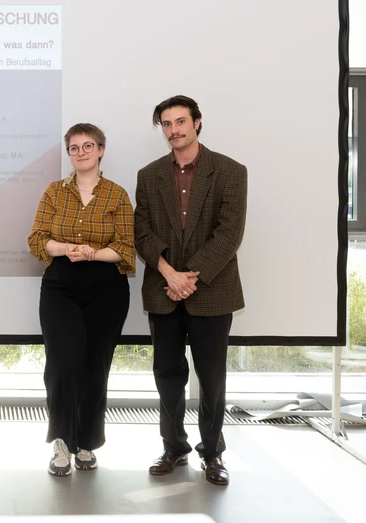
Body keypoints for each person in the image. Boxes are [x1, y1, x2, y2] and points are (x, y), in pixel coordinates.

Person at [134, 95, 247, 486]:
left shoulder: (231, 171)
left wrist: (188, 278)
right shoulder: (149, 176)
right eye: (166, 124)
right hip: (163, 289)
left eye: (180, 122)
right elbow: (142, 232)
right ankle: (174, 446)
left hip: (211, 290)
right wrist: (169, 272)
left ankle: (213, 453)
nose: (173, 130)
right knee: (167, 372)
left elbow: (229, 234)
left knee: (212, 375)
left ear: (197, 123)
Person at [27, 123, 136, 476]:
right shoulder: (54, 192)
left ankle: (87, 442)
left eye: (88, 146)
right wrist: (65, 249)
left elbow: (126, 250)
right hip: (61, 285)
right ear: (69, 153)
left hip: (107, 288)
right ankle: (61, 442)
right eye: (74, 148)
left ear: (101, 150)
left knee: (94, 367)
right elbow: (36, 239)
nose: (81, 153)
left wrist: (93, 253)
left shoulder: (117, 195)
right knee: (61, 365)